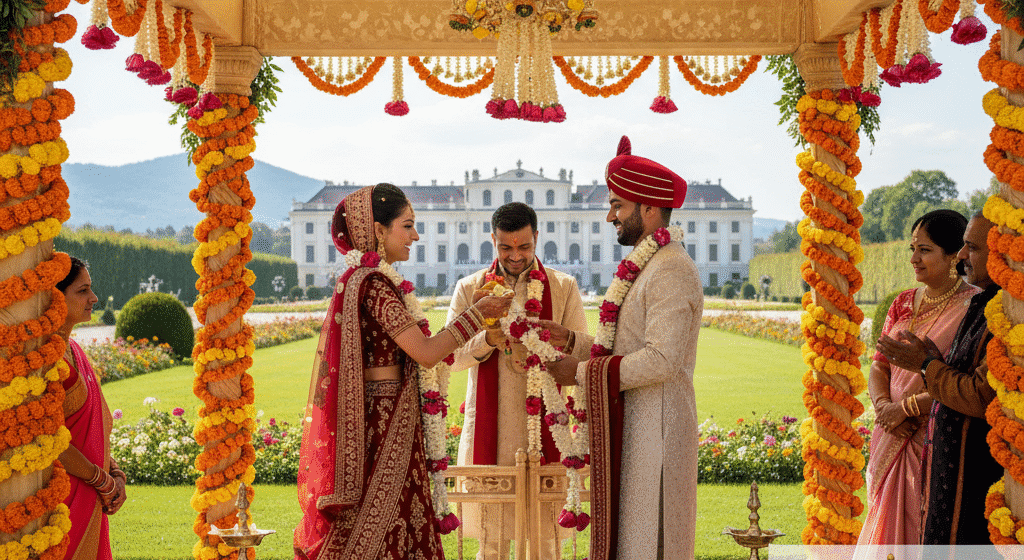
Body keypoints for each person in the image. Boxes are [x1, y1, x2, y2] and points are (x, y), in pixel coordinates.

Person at [294, 184, 512, 560]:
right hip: (382, 428)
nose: (416, 235)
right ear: (379, 230)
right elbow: (426, 352)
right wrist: (478, 316)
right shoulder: (375, 285)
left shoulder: (370, 280)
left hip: (391, 416)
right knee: (383, 527)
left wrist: (469, 315)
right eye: (407, 226)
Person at [547, 136, 703, 560]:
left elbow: (662, 360)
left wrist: (578, 373)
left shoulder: (670, 268)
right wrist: (574, 342)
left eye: (619, 205)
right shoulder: (648, 263)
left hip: (659, 427)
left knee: (652, 542)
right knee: (631, 540)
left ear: (649, 208)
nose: (610, 215)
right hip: (636, 423)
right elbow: (627, 342)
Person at [447, 202, 593, 560]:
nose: (515, 256)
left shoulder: (562, 287)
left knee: (546, 542)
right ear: (493, 241)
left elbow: (586, 352)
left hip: (548, 428)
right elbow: (449, 357)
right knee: (491, 540)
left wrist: (561, 342)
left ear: (537, 239)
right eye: (506, 247)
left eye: (524, 247)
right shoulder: (470, 289)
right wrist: (487, 341)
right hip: (491, 430)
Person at [876, 212, 1001, 544]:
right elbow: (880, 365)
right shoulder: (902, 302)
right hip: (893, 431)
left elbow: (974, 389)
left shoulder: (980, 306)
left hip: (935, 442)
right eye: (912, 248)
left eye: (925, 249)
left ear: (950, 256)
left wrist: (908, 406)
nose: (914, 258)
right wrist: (884, 408)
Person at [58, 257, 126, 560]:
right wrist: (102, 480)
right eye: (83, 290)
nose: (94, 298)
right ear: (54, 297)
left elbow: (100, 424)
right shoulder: (42, 362)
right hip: (63, 498)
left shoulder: (74, 351)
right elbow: (50, 441)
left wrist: (116, 476)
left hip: (93, 492)